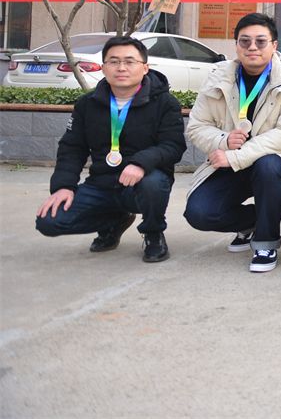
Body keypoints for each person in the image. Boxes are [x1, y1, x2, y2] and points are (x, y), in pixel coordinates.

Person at [36, 36, 185, 263]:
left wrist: (140, 163)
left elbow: (173, 145)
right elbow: (72, 148)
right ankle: (114, 221)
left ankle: (153, 232)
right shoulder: (88, 104)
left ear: (145, 67)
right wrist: (63, 186)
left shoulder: (165, 103)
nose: (121, 68)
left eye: (129, 61)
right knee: (49, 221)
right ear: (104, 67)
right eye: (114, 61)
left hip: (142, 183)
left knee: (153, 184)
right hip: (101, 184)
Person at [184, 13, 281, 273]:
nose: (252, 47)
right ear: (236, 45)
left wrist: (235, 156)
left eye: (261, 41)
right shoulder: (217, 79)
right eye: (245, 41)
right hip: (227, 161)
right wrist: (223, 140)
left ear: (274, 45)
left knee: (269, 166)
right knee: (199, 213)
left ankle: (266, 242)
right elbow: (196, 127)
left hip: (270, 162)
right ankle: (250, 222)